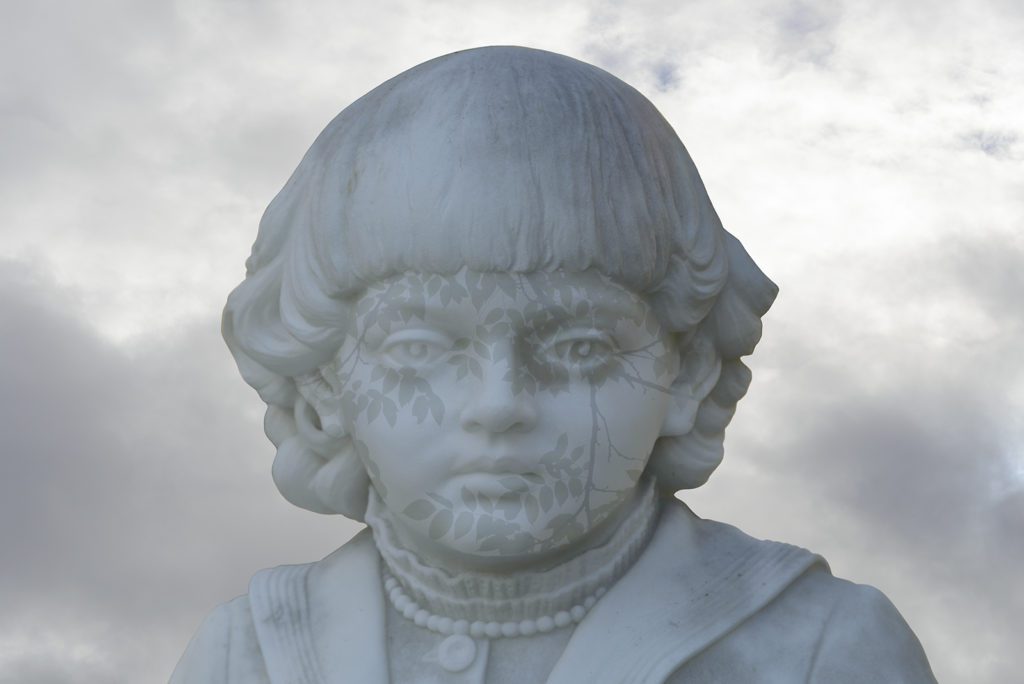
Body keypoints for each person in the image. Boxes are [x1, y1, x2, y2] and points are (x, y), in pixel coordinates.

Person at [171, 46, 936, 683]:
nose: (499, 402)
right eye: (418, 349)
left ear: (689, 375)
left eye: (579, 348)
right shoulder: (248, 658)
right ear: (322, 392)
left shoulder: (821, 648)